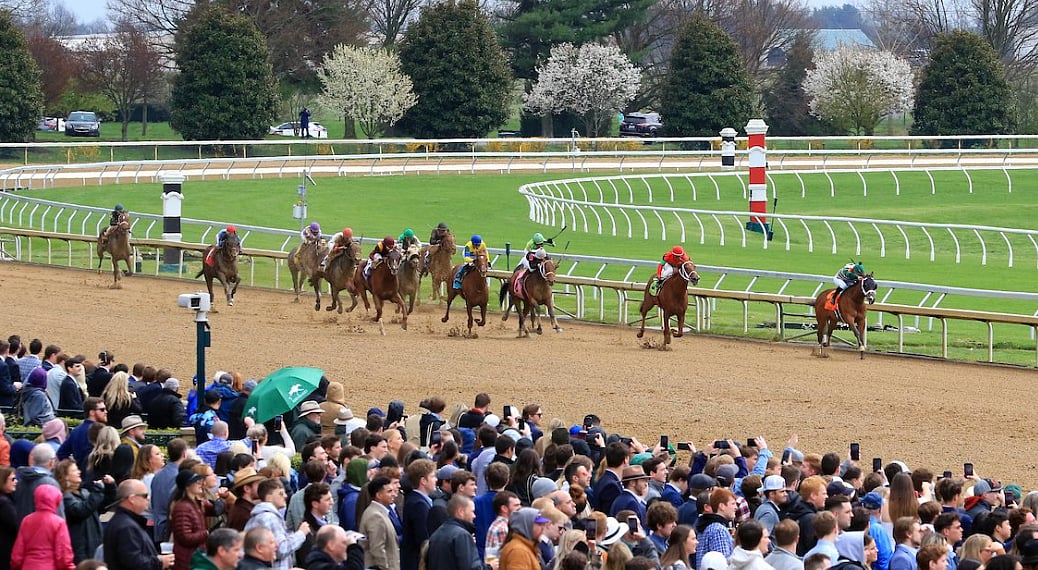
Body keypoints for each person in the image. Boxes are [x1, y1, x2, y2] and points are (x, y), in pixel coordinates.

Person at [104, 479, 175, 570]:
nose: (148, 498)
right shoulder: (126, 527)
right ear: (132, 499)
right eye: (145, 496)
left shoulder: (126, 522)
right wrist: (160, 562)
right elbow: (133, 562)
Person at [244, 478, 310, 570]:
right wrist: (301, 533)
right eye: (281, 493)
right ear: (269, 497)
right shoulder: (269, 518)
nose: (285, 496)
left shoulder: (262, 516)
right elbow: (281, 550)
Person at [55, 459, 111, 564]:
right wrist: (98, 490)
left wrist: (110, 487)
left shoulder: (84, 493)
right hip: (81, 550)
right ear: (66, 476)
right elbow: (81, 511)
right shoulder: (65, 498)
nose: (79, 472)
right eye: (75, 470)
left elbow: (103, 505)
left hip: (94, 543)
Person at [11, 484, 75, 570]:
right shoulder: (59, 522)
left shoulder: (27, 520)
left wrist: (16, 566)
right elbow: (63, 553)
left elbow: (18, 552)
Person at [171, 469, 218, 570]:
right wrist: (207, 533)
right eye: (196, 482)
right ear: (187, 486)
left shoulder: (196, 503)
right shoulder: (182, 507)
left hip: (195, 557)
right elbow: (185, 537)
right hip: (188, 560)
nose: (200, 484)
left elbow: (217, 509)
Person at [426, 494, 484, 570]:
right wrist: (489, 567)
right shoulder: (462, 535)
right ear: (460, 512)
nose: (474, 516)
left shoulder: (436, 534)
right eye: (472, 511)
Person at [358, 475, 401, 570]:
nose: (394, 494)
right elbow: (377, 549)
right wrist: (385, 567)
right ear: (379, 495)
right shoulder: (375, 516)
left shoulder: (380, 512)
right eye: (389, 491)